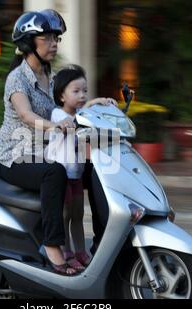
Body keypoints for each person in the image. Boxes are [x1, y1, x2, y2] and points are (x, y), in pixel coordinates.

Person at [0, 9, 77, 275]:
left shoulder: (50, 77)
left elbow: (70, 102)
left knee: (89, 171)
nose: (54, 44)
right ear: (29, 43)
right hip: (13, 157)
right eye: (47, 38)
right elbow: (26, 115)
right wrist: (56, 125)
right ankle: (53, 247)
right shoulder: (17, 79)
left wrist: (98, 107)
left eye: (56, 39)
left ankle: (80, 247)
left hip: (41, 152)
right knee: (55, 172)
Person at [46, 65, 117, 271]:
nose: (82, 95)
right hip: (62, 175)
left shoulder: (78, 114)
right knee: (66, 216)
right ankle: (67, 253)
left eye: (85, 91)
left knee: (77, 215)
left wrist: (100, 103)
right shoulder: (58, 115)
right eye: (76, 91)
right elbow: (76, 120)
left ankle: (81, 252)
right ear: (61, 96)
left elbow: (85, 114)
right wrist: (90, 108)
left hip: (75, 174)